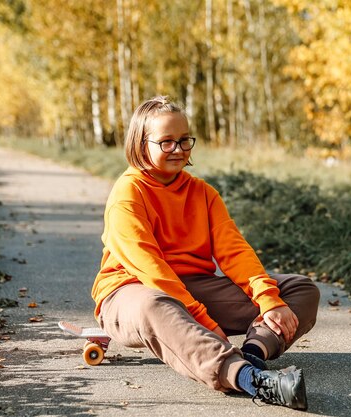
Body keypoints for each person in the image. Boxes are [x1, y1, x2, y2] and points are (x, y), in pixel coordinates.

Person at [90, 96, 320, 410]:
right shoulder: (128, 193)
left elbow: (235, 252)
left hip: (194, 286)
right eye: (167, 142)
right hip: (131, 292)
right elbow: (152, 270)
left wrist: (270, 300)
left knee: (298, 289)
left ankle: (253, 353)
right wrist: (204, 322)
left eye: (185, 140)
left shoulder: (203, 193)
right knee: (154, 304)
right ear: (141, 145)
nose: (179, 149)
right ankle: (248, 378)